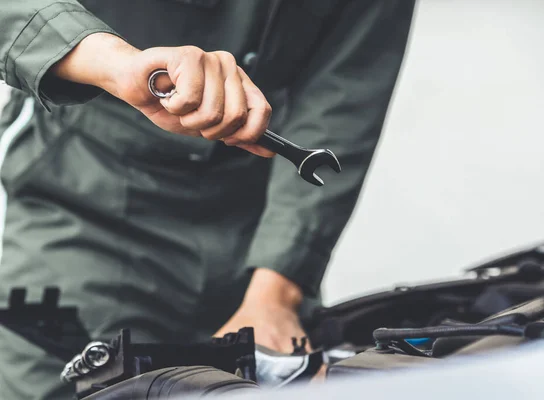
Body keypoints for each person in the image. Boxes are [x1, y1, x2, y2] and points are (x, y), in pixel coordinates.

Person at [0, 0, 416, 398]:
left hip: (259, 234)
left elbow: (343, 95)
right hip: (83, 208)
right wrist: (116, 63)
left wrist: (276, 290)